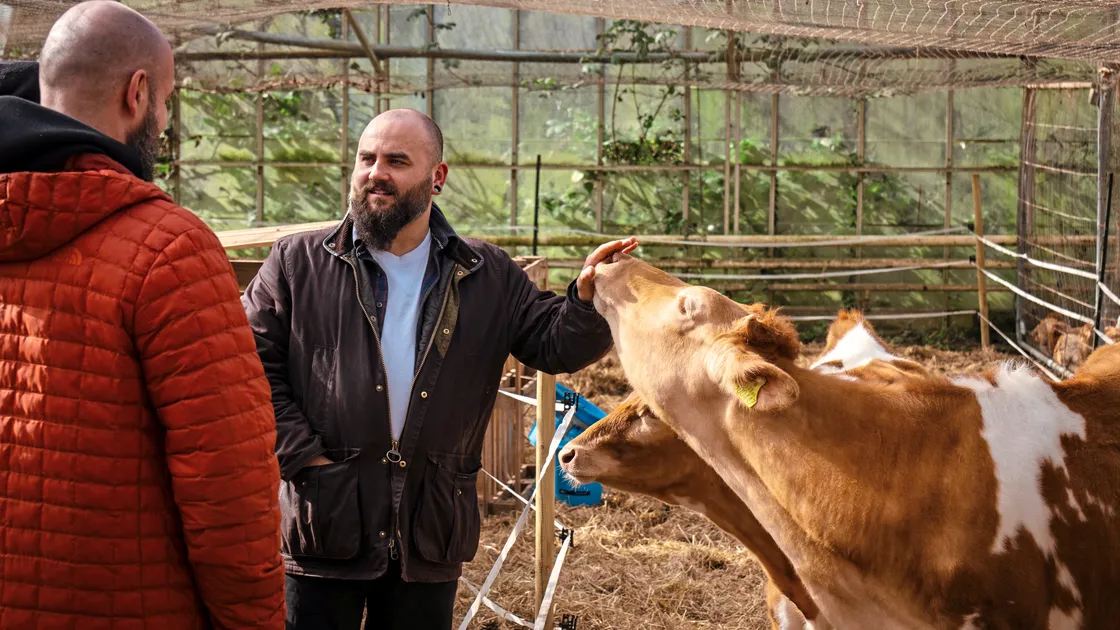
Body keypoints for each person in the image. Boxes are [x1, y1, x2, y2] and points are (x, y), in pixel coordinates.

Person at [241, 108, 635, 629]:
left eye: (397, 161)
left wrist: (589, 300)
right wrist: (305, 460)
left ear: (437, 178)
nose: (375, 172)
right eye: (366, 158)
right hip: (326, 522)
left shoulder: (484, 273)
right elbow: (247, 366)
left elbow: (553, 343)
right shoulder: (298, 263)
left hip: (428, 527)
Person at [0, 2, 286, 628]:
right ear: (137, 93)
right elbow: (227, 483)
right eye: (166, 100)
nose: (164, 117)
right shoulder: (168, 249)